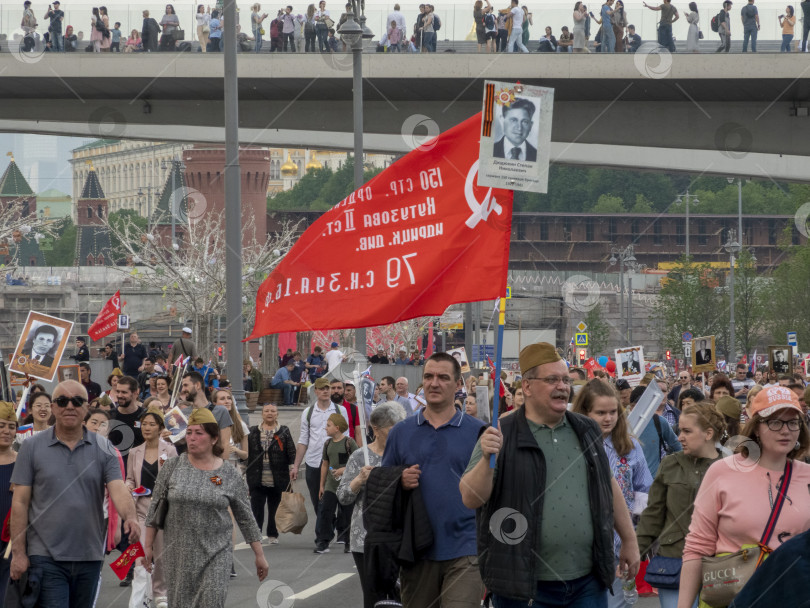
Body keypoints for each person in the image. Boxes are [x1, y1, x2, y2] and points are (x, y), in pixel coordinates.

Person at [461, 343, 640, 606]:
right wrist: (488, 457)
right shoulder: (502, 432)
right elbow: (470, 498)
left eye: (566, 380)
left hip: (587, 583)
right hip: (525, 587)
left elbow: (607, 485)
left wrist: (629, 540)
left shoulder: (586, 428)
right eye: (552, 379)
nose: (563, 386)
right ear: (528, 386)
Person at [678, 385, 810, 608]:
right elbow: (697, 547)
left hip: (791, 597)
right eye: (775, 422)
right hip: (732, 597)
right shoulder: (722, 471)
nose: (785, 430)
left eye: (792, 422)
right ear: (756, 427)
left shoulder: (807, 476)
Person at [9, 381, 140, 604]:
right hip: (45, 556)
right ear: (53, 407)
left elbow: (118, 488)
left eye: (77, 401)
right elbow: (20, 502)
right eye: (62, 401)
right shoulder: (31, 447)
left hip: (89, 554)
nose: (70, 406)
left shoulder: (104, 447)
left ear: (86, 407)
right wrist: (19, 553)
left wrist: (131, 517)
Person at [383, 352, 486, 608]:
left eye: (443, 377)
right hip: (417, 549)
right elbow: (381, 488)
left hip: (466, 548)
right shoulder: (400, 432)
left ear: (458, 385)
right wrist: (398, 479)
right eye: (428, 376)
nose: (434, 383)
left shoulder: (479, 432)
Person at [144, 408, 268, 607]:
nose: (192, 438)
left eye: (199, 433)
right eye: (190, 432)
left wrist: (259, 555)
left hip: (216, 555)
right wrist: (148, 547)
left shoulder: (227, 474)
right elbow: (155, 509)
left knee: (211, 601)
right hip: (179, 556)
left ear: (213, 439)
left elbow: (246, 517)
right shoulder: (173, 467)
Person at [635, 403, 725, 608]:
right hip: (674, 560)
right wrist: (635, 552)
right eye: (679, 431)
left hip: (719, 564)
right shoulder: (670, 464)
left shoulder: (730, 466)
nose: (679, 437)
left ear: (708, 433)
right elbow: (653, 514)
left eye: (687, 431)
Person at [573, 380, 653, 606]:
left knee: (618, 602)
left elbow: (643, 490)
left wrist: (638, 533)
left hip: (621, 543)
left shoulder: (629, 446)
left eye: (613, 412)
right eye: (600, 413)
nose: (608, 418)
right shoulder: (573, 444)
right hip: (583, 544)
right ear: (584, 412)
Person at [338, 401, 407, 608]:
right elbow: (343, 496)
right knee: (374, 598)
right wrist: (359, 480)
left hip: (402, 536)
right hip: (366, 538)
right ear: (376, 429)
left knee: (402, 596)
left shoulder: (405, 455)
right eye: (393, 430)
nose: (400, 435)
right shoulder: (360, 457)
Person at [126, 407, 177, 608]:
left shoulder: (170, 450)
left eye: (151, 424)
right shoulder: (134, 452)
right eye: (144, 424)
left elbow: (175, 478)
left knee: (161, 554)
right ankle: (141, 596)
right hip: (140, 508)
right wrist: (128, 488)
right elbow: (130, 478)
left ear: (160, 428)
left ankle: (160, 593)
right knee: (140, 554)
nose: (147, 428)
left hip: (163, 509)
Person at [293, 377, 350, 512]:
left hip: (334, 463)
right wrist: (296, 466)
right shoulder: (308, 412)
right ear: (316, 391)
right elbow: (303, 440)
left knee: (333, 500)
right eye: (321, 389)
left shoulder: (340, 410)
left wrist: (346, 464)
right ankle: (325, 529)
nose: (325, 391)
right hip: (313, 462)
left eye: (327, 388)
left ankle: (326, 529)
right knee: (317, 501)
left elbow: (346, 438)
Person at [247, 403, 296, 544]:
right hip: (257, 476)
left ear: (277, 414)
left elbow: (291, 451)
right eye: (266, 411)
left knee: (275, 507)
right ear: (262, 414)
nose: (270, 413)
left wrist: (293, 468)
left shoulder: (283, 431)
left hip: (278, 476)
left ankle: (273, 534)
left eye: (273, 411)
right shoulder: (253, 431)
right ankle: (255, 536)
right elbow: (248, 453)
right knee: (256, 508)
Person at [314, 413, 358, 553]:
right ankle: (323, 542)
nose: (325, 428)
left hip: (348, 485)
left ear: (337, 428)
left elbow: (357, 462)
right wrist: (322, 485)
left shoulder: (349, 442)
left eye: (328, 425)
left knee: (347, 514)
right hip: (331, 486)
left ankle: (349, 542)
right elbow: (325, 465)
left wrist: (343, 470)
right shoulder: (327, 444)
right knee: (326, 512)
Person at [0, 402, 17, 601]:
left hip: (13, 543)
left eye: (11, 427)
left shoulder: (24, 462)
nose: (6, 431)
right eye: (1, 425)